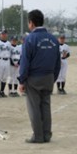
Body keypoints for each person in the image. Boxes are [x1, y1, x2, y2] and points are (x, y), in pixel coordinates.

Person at [18, 9, 60, 143]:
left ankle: (38, 136)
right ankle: (47, 134)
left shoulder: (30, 39)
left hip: (34, 78)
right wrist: (53, 77)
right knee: (46, 106)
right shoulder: (54, 39)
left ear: (31, 23)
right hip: (49, 77)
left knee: (34, 107)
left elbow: (25, 62)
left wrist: (22, 80)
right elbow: (58, 62)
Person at [0, 30, 11, 97]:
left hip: (7, 60)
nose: (4, 35)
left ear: (7, 35)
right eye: (2, 34)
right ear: (0, 35)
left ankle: (2, 91)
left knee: (5, 77)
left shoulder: (9, 43)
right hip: (0, 60)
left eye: (5, 34)